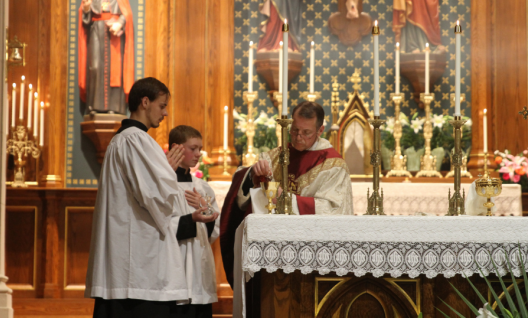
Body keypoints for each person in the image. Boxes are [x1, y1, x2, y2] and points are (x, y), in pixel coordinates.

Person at [85, 77, 214, 318]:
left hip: (130, 260)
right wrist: (167, 172)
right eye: (162, 105)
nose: (165, 113)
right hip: (139, 266)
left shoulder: (123, 140)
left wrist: (163, 172)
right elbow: (156, 199)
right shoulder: (136, 140)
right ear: (145, 102)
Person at [220, 101, 354, 288]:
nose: (298, 137)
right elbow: (245, 194)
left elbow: (334, 211)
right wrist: (252, 174)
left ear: (320, 130)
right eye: (294, 130)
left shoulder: (333, 165)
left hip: (310, 255)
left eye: (306, 132)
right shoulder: (275, 156)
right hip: (270, 254)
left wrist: (285, 200)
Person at [168, 125, 220, 318]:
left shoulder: (202, 187)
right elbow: (160, 225)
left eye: (200, 149)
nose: (198, 153)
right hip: (175, 260)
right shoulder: (164, 185)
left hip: (198, 261)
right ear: (176, 147)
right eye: (193, 148)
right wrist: (191, 219)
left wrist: (206, 210)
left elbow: (213, 232)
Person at [78, 0, 135, 115]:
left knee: (114, 71)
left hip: (114, 37)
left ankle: (115, 108)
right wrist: (86, 10)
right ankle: (94, 107)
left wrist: (119, 23)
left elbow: (127, 15)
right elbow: (85, 21)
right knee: (95, 68)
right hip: (95, 33)